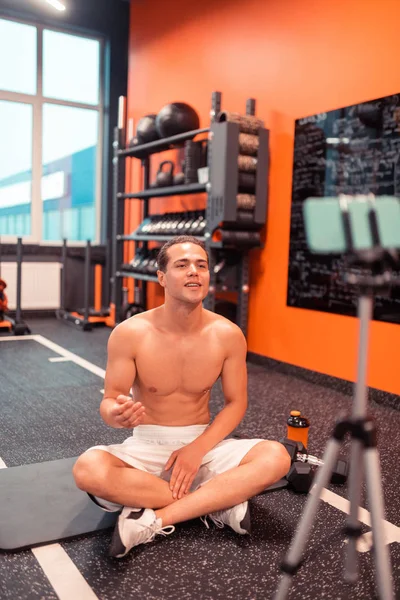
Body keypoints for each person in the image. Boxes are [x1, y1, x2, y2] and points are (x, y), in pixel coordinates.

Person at [73, 235, 291, 558]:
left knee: (277, 457)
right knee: (87, 469)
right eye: (182, 265)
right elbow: (109, 401)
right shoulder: (130, 333)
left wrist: (196, 449)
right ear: (161, 277)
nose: (194, 272)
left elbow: (236, 403)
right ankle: (215, 501)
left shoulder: (228, 335)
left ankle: (154, 517)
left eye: (201, 265)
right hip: (147, 447)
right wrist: (115, 414)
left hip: (203, 445)